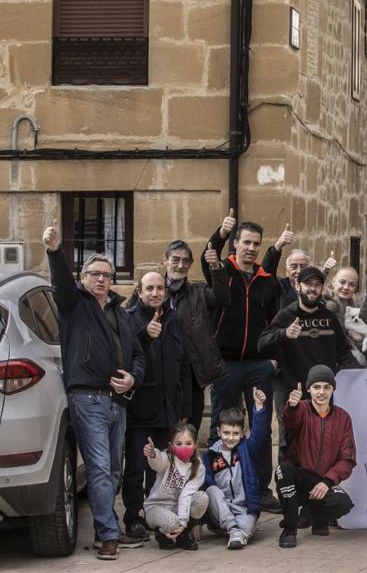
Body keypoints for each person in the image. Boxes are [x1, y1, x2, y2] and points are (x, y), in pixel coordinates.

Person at [43, 218, 146, 560]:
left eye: (106, 274)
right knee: (101, 468)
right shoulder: (73, 305)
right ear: (83, 278)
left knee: (113, 469)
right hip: (87, 398)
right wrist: (55, 250)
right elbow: (59, 282)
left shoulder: (123, 312)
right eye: (94, 274)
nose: (101, 279)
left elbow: (138, 356)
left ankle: (110, 527)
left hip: (118, 401)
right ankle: (108, 536)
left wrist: (133, 377)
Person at [202, 215, 290, 512]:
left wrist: (274, 359)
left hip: (258, 366)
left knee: (262, 428)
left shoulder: (266, 281)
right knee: (219, 427)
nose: (250, 248)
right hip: (226, 365)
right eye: (246, 242)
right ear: (235, 244)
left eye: (256, 244)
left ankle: (262, 489)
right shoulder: (222, 271)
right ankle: (217, 486)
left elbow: (275, 321)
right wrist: (221, 232)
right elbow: (209, 255)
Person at [259, 266, 362, 455]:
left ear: (322, 288)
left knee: (321, 445)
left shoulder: (329, 318)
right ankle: (288, 484)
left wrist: (362, 374)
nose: (312, 289)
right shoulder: (286, 315)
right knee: (290, 445)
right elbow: (262, 345)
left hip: (322, 394)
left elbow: (344, 354)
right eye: (308, 284)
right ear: (298, 286)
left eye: (317, 285)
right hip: (294, 392)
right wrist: (283, 333)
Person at [122, 272, 192, 541]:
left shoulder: (174, 320)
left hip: (168, 412)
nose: (154, 293)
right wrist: (144, 336)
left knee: (162, 469)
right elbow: (125, 356)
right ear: (139, 291)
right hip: (140, 410)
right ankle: (133, 518)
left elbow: (184, 365)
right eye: (149, 288)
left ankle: (156, 516)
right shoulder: (128, 319)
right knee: (136, 468)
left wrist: (183, 407)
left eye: (159, 288)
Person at [276, 366, 356, 548]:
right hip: (298, 475)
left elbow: (347, 459)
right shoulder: (301, 409)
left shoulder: (343, 418)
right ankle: (289, 528)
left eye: (327, 387)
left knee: (343, 504)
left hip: (321, 480)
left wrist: (327, 481)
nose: (321, 392)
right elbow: (291, 422)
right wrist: (292, 406)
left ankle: (316, 514)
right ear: (308, 389)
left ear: (333, 390)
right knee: (283, 470)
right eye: (316, 387)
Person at [162, 238, 229, 435]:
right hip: (162, 370)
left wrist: (216, 267)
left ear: (191, 264)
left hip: (193, 373)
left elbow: (222, 298)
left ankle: (188, 465)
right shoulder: (153, 288)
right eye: (175, 260)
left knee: (190, 428)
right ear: (165, 260)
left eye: (185, 261)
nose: (180, 265)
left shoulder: (198, 291)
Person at [203, 388, 271, 549]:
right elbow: (205, 484)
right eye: (226, 432)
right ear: (219, 432)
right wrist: (198, 522)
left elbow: (260, 436)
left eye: (235, 433)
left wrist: (259, 406)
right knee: (211, 490)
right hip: (221, 507)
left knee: (246, 527)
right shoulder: (211, 454)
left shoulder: (247, 449)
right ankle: (232, 529)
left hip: (244, 508)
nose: (230, 437)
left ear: (242, 434)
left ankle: (233, 530)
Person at [142, 423, 209, 551]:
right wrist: (152, 454)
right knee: (172, 522)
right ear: (171, 446)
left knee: (202, 498)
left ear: (195, 445)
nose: (184, 447)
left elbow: (186, 495)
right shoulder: (168, 458)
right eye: (179, 444)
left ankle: (182, 536)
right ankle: (163, 536)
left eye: (188, 443)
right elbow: (158, 463)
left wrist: (183, 523)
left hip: (178, 507)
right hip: (156, 507)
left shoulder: (199, 467)